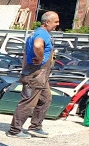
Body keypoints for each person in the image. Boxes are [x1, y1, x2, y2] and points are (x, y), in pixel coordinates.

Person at [7, 11, 60, 139]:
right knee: (29, 102)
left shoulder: (38, 33)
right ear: (47, 22)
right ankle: (15, 130)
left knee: (45, 99)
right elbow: (38, 45)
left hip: (42, 75)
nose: (58, 24)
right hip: (35, 73)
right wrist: (40, 58)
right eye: (56, 22)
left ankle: (36, 127)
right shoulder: (41, 33)